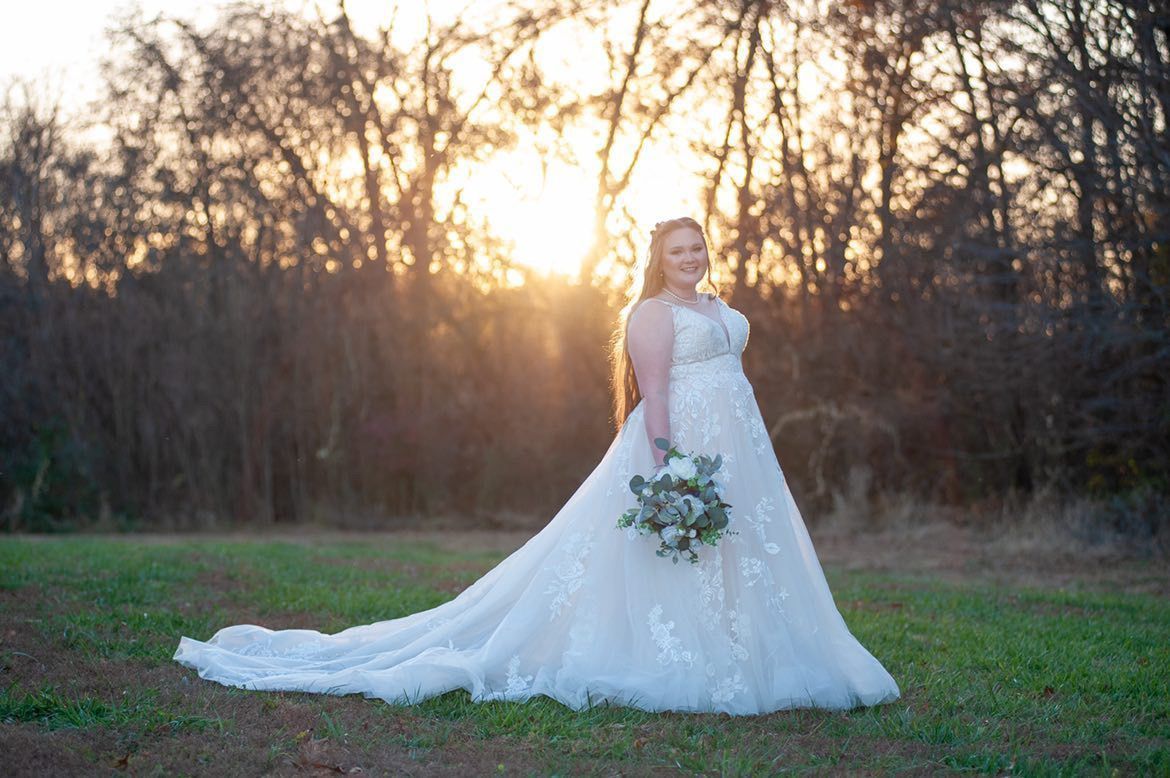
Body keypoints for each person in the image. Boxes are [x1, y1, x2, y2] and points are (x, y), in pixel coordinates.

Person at [173, 216, 901, 715]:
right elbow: (653, 397)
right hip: (678, 449)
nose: (691, 258)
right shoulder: (652, 314)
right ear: (658, 258)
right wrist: (670, 471)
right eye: (678, 250)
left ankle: (755, 651)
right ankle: (686, 656)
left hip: (740, 446)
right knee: (666, 556)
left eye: (698, 246)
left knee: (743, 551)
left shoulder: (716, 305)